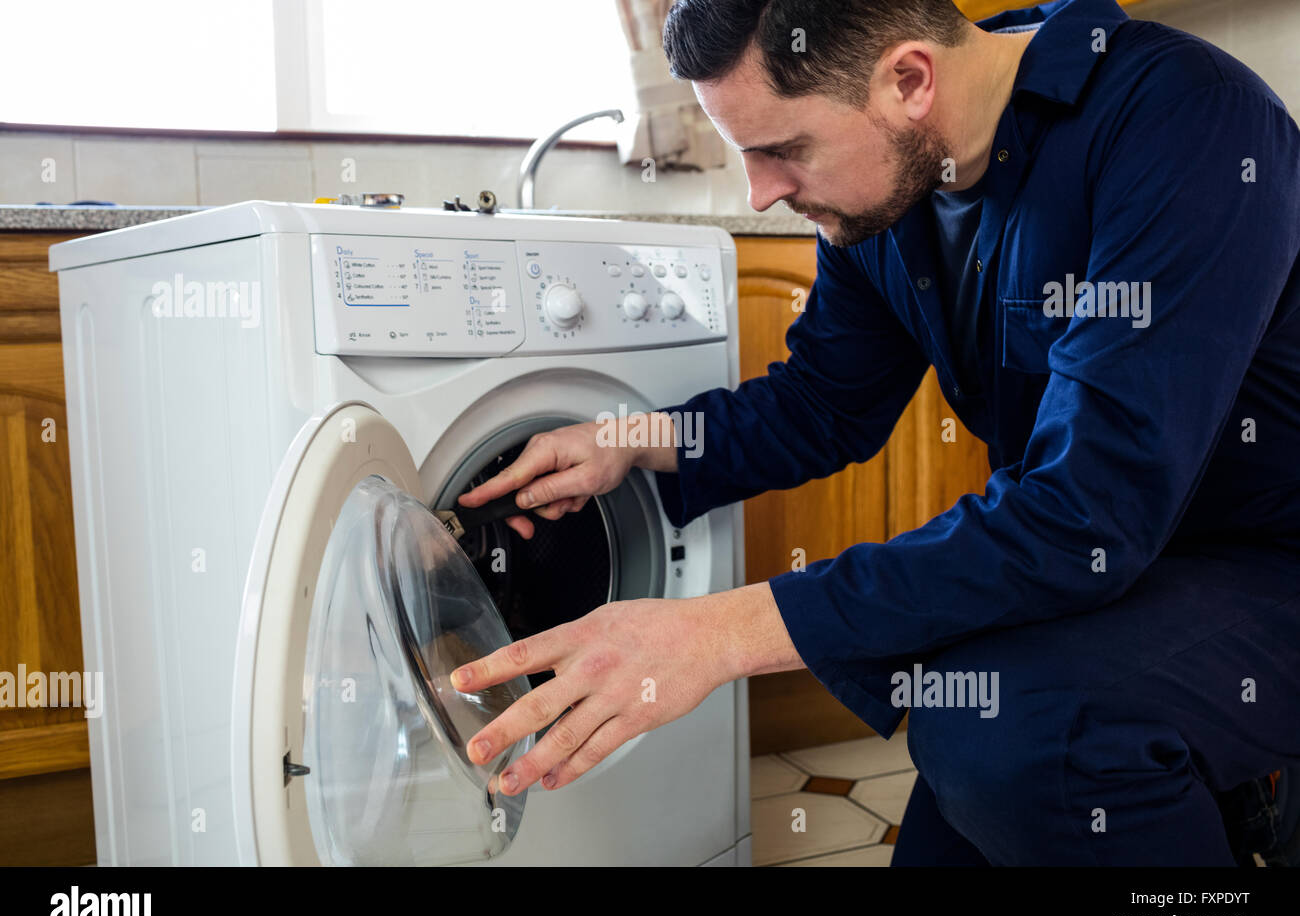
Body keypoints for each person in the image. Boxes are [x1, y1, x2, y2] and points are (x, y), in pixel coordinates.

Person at [448, 0, 1300, 865]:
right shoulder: (891, 187)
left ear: (910, 80)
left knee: (1015, 740)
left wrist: (714, 635)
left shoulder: (1185, 122)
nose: (761, 193)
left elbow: (1087, 510)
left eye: (783, 149)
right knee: (968, 756)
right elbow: (824, 402)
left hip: (1265, 562)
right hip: (1118, 571)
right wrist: (630, 439)